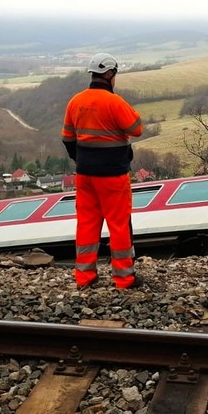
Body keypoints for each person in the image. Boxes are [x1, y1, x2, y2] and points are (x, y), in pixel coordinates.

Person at [61, 53, 145, 289]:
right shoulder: (114, 102)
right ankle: (124, 278)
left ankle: (85, 278)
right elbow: (136, 129)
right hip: (112, 176)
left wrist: (82, 160)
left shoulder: (75, 101)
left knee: (87, 224)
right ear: (110, 75)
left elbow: (67, 138)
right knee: (118, 225)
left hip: (85, 175)